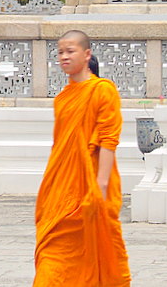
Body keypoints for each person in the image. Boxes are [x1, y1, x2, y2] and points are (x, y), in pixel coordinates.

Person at [34, 30, 131, 286]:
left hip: (91, 187)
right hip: (61, 190)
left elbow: (108, 139)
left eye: (70, 51)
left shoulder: (103, 90)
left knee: (95, 253)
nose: (64, 57)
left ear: (87, 54)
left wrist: (100, 187)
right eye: (60, 52)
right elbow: (61, 146)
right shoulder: (62, 98)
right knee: (50, 258)